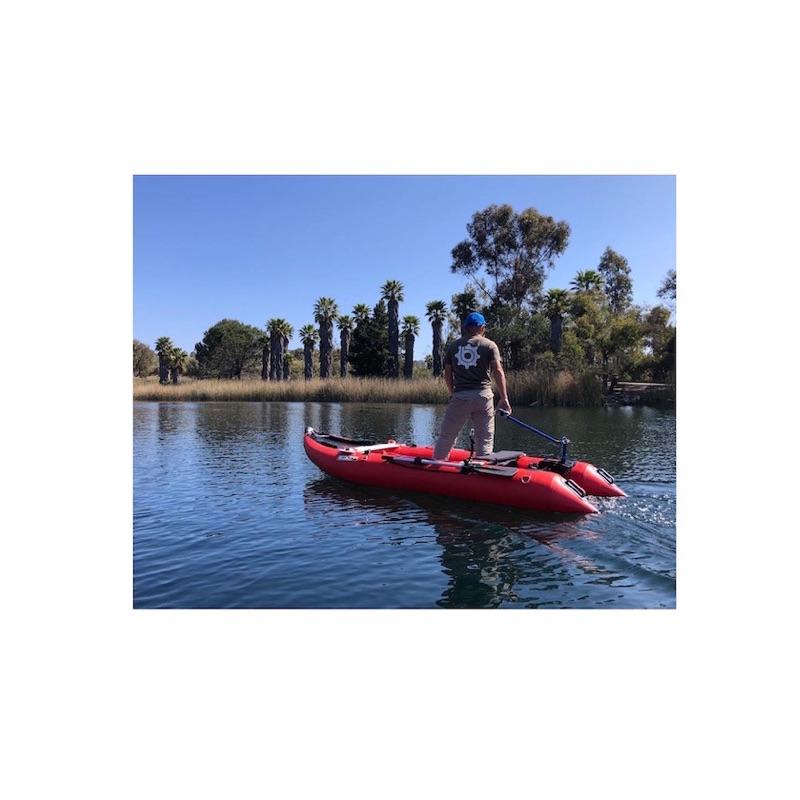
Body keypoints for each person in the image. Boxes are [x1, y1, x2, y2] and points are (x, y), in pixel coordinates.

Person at [433, 312, 512, 460]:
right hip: (484, 397)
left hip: (461, 396)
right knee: (485, 440)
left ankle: (437, 465)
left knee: (447, 436)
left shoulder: (454, 346)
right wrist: (504, 398)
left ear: (466, 328)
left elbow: (447, 374)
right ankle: (482, 469)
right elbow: (498, 371)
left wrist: (452, 393)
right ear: (482, 327)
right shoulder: (490, 345)